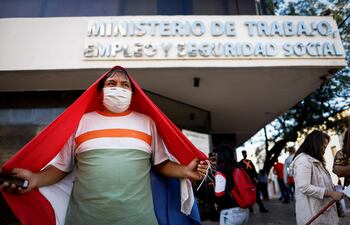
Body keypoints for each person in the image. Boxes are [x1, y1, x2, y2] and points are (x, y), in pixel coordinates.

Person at [0, 68, 208, 225]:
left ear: (133, 94)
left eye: (125, 85)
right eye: (112, 83)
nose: (118, 89)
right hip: (84, 219)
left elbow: (160, 164)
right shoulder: (81, 122)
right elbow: (62, 167)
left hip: (138, 219)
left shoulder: (147, 122)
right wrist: (35, 179)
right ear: (101, 91)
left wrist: (184, 171)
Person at [291, 130, 343, 225]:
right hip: (314, 216)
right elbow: (304, 186)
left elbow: (319, 183)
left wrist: (334, 188)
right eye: (323, 147)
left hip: (323, 214)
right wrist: (330, 193)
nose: (324, 150)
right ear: (315, 144)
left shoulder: (315, 161)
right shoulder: (303, 161)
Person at [215, 145, 249, 225]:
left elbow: (219, 193)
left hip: (229, 212)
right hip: (244, 211)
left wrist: (216, 204)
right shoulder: (238, 166)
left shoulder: (221, 168)